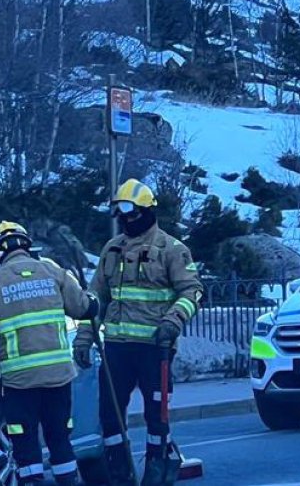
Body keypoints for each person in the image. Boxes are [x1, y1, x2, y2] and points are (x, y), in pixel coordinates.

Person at [73, 179, 203, 485]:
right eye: (122, 215)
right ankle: (120, 474)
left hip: (154, 348)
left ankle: (157, 469)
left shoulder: (171, 249)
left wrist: (172, 321)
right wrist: (84, 337)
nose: (127, 221)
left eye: (132, 214)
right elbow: (96, 298)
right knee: (110, 415)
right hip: (116, 348)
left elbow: (193, 291)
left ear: (148, 211)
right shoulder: (112, 249)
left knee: (156, 416)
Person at [0, 221, 99, 486]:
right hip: (58, 378)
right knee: (59, 437)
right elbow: (83, 308)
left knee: (25, 442)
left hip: (19, 383)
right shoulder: (53, 272)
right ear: (27, 245)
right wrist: (93, 302)